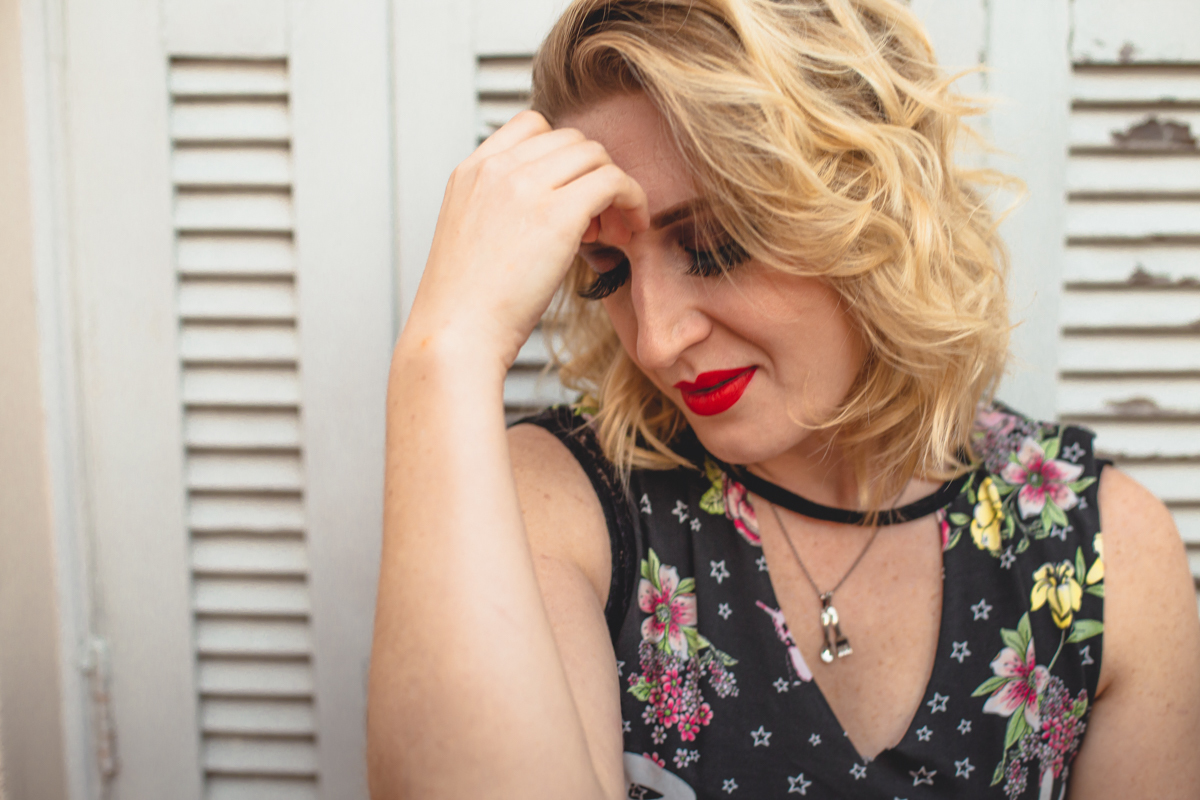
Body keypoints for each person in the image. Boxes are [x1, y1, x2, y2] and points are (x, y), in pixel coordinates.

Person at [367, 1, 1200, 797]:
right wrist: (446, 350)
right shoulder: (559, 504)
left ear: (874, 204)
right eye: (608, 274)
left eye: (715, 245)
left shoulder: (1102, 554)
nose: (656, 341)